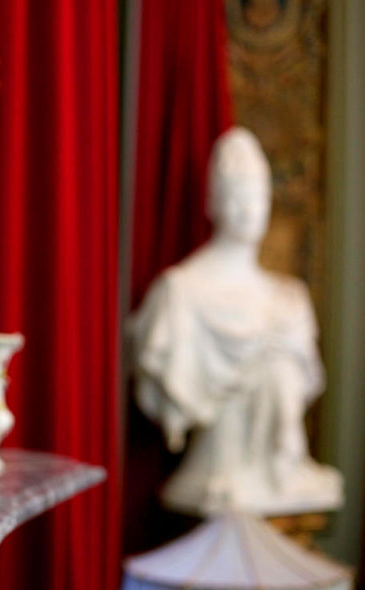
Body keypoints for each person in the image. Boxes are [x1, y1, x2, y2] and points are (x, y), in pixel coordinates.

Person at [131, 127, 342, 515]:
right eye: (238, 197)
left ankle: (283, 463)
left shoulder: (288, 299)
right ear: (214, 203)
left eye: (258, 197)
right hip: (207, 476)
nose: (250, 210)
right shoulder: (180, 292)